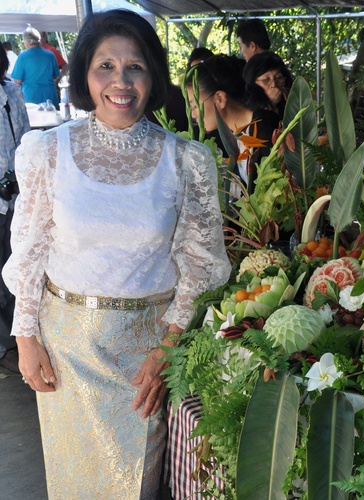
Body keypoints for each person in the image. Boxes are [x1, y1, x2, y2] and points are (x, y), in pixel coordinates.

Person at [2, 9, 231, 498]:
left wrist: (167, 348)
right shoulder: (48, 151)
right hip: (64, 348)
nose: (120, 81)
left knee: (135, 485)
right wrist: (26, 338)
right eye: (105, 66)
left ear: (153, 75)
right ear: (84, 73)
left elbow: (199, 264)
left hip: (145, 356)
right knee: (73, 485)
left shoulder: (186, 160)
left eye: (135, 67)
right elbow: (30, 249)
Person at [186, 54, 279, 190]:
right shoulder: (239, 133)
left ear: (220, 98)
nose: (193, 115)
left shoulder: (265, 129)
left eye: (194, 106)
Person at [0, 47, 30, 374]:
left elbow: (24, 139)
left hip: (14, 199)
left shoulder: (12, 92)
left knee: (14, 266)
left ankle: (16, 337)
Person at [11, 26, 60, 106]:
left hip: (31, 97)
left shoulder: (23, 57)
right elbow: (56, 75)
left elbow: (17, 81)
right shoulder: (50, 55)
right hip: (50, 96)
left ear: (26, 42)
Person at [242, 51, 292, 117]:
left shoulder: (291, 101)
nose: (274, 85)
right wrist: (271, 103)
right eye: (266, 80)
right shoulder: (245, 111)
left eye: (278, 78)